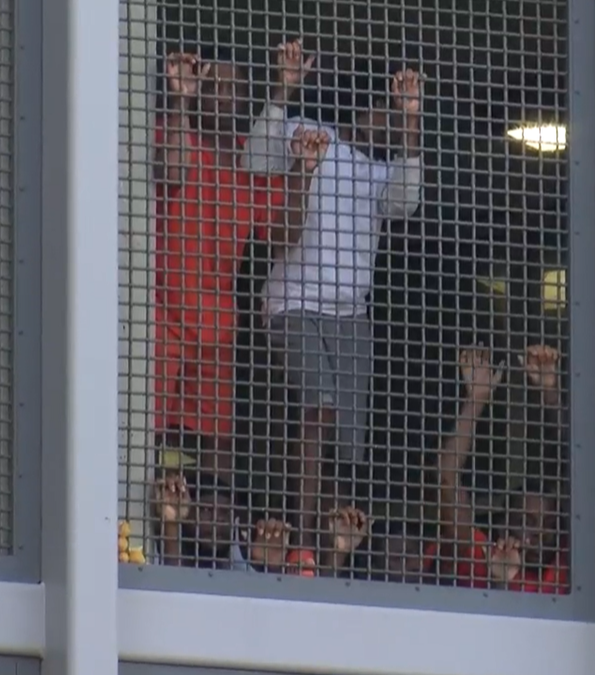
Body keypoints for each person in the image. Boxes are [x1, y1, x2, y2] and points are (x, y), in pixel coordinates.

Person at [241, 39, 425, 550]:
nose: (389, 120)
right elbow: (254, 158)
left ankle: (329, 551)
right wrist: (283, 89)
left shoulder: (379, 170)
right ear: (361, 104)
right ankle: (300, 536)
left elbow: (407, 201)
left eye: (396, 111)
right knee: (318, 409)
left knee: (346, 445)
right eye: (387, 108)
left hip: (352, 318)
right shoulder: (314, 135)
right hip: (295, 305)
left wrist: (413, 119)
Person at [152, 50, 303, 481]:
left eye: (231, 89)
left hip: (216, 319)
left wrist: (302, 172)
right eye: (212, 87)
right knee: (150, 428)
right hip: (162, 310)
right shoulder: (175, 131)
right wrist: (180, 98)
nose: (221, 96)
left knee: (217, 442)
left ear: (244, 100)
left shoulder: (249, 159)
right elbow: (171, 171)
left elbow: (283, 236)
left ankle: (211, 533)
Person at [428, 345, 569, 593]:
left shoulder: (564, 569)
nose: (535, 532)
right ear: (503, 522)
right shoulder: (477, 555)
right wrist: (476, 399)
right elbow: (446, 475)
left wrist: (550, 392)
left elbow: (579, 466)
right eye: (524, 520)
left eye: (547, 523)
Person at [150, 470, 317, 574]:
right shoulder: (152, 551)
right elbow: (174, 588)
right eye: (206, 510)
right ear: (188, 513)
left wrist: (268, 567)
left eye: (225, 512)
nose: (217, 519)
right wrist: (171, 524)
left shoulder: (237, 566)